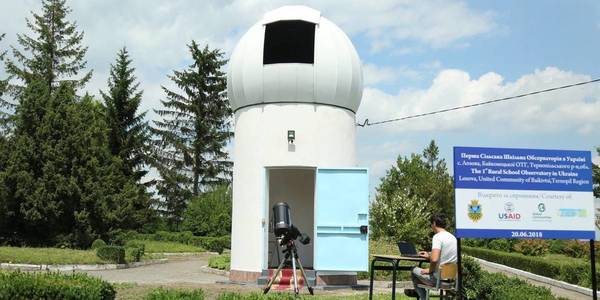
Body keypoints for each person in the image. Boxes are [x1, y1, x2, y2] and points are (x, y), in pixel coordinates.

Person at [404, 213, 457, 299]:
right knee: (419, 278)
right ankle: (418, 292)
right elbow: (443, 256)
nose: (431, 226)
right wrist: (429, 256)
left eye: (431, 224)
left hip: (438, 280)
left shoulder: (437, 237)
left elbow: (435, 259)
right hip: (451, 280)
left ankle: (421, 295)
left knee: (414, 270)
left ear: (434, 223)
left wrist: (429, 270)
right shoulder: (453, 237)